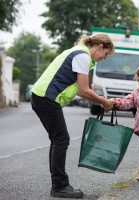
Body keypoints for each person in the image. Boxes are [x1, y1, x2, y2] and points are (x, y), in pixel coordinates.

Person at [31, 33, 115, 198]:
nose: (104, 58)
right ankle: (60, 186)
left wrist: (99, 99)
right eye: (105, 54)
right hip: (46, 97)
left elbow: (81, 90)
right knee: (61, 139)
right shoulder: (82, 56)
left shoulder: (80, 54)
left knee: (58, 139)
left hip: (42, 96)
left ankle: (58, 185)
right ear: (99, 47)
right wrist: (103, 102)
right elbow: (84, 91)